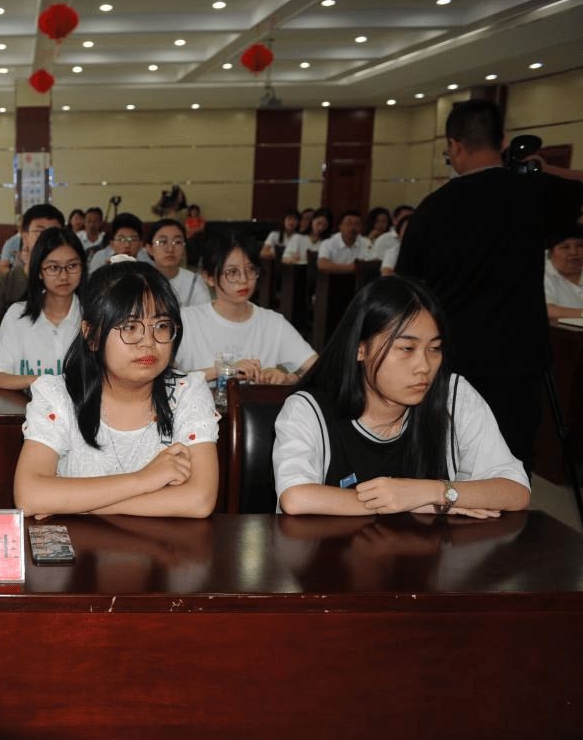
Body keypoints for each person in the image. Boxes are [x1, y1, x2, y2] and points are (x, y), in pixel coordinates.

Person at [396, 98, 583, 467]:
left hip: (450, 359)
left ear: (455, 146)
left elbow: (406, 290)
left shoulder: (432, 208)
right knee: (510, 462)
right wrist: (548, 170)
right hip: (518, 361)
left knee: (448, 459)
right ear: (501, 142)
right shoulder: (534, 192)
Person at [273, 276, 530, 517]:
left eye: (435, 349)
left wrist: (430, 493)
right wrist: (414, 503)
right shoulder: (310, 409)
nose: (424, 366)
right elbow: (296, 498)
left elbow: (516, 490)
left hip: (424, 560)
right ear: (360, 349)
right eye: (407, 348)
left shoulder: (453, 395)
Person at [13, 261, 218, 518]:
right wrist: (142, 480)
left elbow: (199, 501)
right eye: (130, 327)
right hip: (81, 553)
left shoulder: (187, 392)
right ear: (92, 336)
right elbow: (30, 495)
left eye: (162, 325)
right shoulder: (58, 395)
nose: (148, 342)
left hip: (158, 552)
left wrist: (74, 503)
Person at [175, 231, 316, 384]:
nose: (243, 280)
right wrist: (222, 370)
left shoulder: (273, 323)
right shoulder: (187, 321)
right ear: (209, 277)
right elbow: (163, 381)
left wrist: (288, 379)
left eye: (250, 270)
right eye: (232, 272)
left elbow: (319, 369)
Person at [0, 228, 86, 391]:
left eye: (72, 265)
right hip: (27, 411)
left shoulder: (94, 315)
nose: (64, 276)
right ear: (39, 271)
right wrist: (43, 382)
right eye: (53, 268)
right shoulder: (17, 315)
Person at [0, 204, 65, 340]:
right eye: (39, 231)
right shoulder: (4, 282)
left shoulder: (69, 279)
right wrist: (23, 342)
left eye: (53, 233)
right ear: (24, 236)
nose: (46, 238)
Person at [146, 218, 210, 308]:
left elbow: (203, 315)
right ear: (149, 248)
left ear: (184, 249)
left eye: (177, 242)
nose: (170, 249)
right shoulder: (140, 280)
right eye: (163, 242)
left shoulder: (194, 282)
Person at [88, 213, 152, 273]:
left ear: (140, 244)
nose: (127, 245)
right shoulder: (100, 257)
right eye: (121, 240)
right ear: (112, 244)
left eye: (133, 240)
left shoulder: (147, 260)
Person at [543, 225, 583, 319]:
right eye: (565, 247)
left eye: (580, 245)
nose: (573, 252)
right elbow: (547, 310)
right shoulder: (542, 274)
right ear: (550, 252)